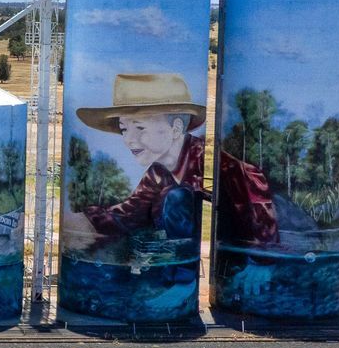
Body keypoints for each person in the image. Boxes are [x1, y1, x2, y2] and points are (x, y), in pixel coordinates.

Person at [63, 71, 276, 248]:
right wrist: (84, 224)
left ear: (175, 128)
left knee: (176, 198)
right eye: (124, 129)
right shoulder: (158, 173)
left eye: (140, 127)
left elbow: (254, 194)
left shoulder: (214, 162)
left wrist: (261, 262)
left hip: (266, 250)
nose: (129, 140)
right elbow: (129, 212)